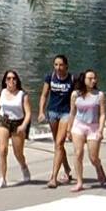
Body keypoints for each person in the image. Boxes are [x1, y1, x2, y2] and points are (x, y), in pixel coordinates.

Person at [0, 70, 31, 188]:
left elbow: (28, 113)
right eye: (8, 78)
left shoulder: (22, 95)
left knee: (18, 153)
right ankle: (2, 178)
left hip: (17, 123)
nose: (11, 81)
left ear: (17, 81)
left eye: (14, 78)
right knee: (2, 150)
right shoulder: (0, 93)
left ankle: (23, 166)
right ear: (5, 81)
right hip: (3, 121)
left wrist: (23, 126)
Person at [69, 70, 106, 192]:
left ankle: (98, 167)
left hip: (93, 127)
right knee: (78, 153)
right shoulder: (76, 94)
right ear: (84, 80)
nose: (93, 81)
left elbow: (102, 114)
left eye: (94, 78)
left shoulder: (99, 95)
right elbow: (72, 112)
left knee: (93, 157)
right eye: (90, 78)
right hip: (79, 126)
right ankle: (79, 182)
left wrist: (101, 130)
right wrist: (69, 129)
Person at [41, 55, 75, 187]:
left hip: (66, 113)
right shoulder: (50, 77)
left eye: (61, 65)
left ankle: (53, 177)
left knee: (59, 143)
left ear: (66, 66)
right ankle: (67, 170)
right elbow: (44, 95)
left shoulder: (72, 79)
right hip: (53, 112)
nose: (58, 68)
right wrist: (41, 111)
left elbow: (76, 98)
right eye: (56, 65)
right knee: (58, 144)